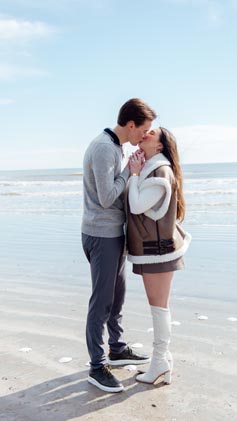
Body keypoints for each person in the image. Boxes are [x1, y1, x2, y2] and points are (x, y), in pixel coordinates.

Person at [82, 98, 157, 393]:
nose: (144, 136)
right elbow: (106, 196)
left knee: (118, 296)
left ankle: (117, 348)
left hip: (113, 233)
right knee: (101, 302)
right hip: (101, 235)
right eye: (144, 130)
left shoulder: (116, 147)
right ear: (130, 125)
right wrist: (131, 171)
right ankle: (96, 366)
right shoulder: (104, 149)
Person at [125, 126, 191, 385]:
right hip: (154, 249)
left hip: (157, 251)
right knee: (159, 307)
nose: (145, 134)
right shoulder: (154, 167)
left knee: (158, 308)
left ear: (160, 146)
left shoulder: (160, 171)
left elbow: (137, 205)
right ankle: (163, 360)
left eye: (151, 133)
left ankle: (160, 361)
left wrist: (133, 175)